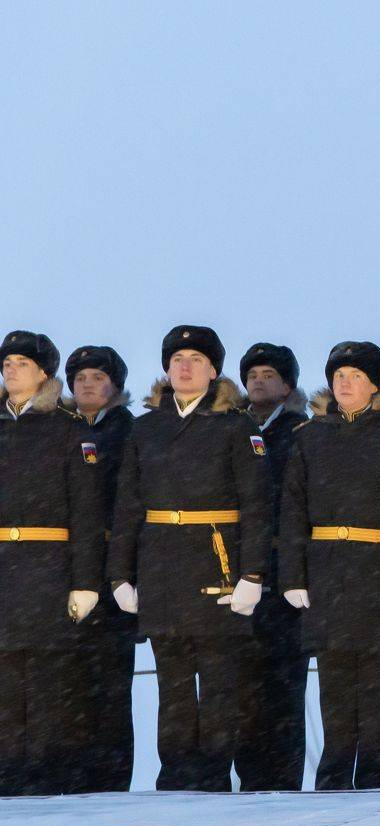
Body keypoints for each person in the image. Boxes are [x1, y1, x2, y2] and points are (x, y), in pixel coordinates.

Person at [108, 325, 271, 792]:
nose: (184, 367)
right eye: (177, 359)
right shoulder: (146, 428)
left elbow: (257, 504)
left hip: (217, 567)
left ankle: (214, 776)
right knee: (173, 684)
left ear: (213, 371)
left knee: (218, 683)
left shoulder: (236, 426)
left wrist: (253, 573)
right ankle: (174, 776)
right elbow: (128, 505)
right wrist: (119, 574)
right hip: (161, 569)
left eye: (196, 360)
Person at [279, 341, 380, 790]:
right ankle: (332, 779)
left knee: (375, 686)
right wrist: (293, 576)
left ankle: (375, 780)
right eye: (339, 376)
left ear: (375, 385)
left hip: (378, 573)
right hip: (326, 573)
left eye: (356, 377)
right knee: (333, 683)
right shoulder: (310, 436)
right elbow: (293, 510)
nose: (345, 384)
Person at [0, 331, 104, 795]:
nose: (11, 370)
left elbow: (86, 512)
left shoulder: (69, 429)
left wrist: (86, 581)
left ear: (44, 373)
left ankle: (45, 781)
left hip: (48, 570)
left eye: (22, 363)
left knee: (46, 682)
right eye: (7, 362)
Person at [235, 342, 311, 791]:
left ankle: (284, 782)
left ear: (287, 386)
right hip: (240, 571)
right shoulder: (234, 427)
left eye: (269, 375)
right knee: (243, 686)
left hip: (286, 573)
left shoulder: (302, 432)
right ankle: (250, 780)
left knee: (285, 686)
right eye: (253, 375)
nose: (259, 382)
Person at [64, 344, 138, 792]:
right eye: (80, 378)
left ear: (116, 385)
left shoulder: (129, 431)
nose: (87, 385)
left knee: (110, 685)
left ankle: (110, 783)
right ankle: (73, 778)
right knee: (68, 683)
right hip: (68, 571)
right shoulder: (61, 428)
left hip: (114, 569)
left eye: (97, 377)